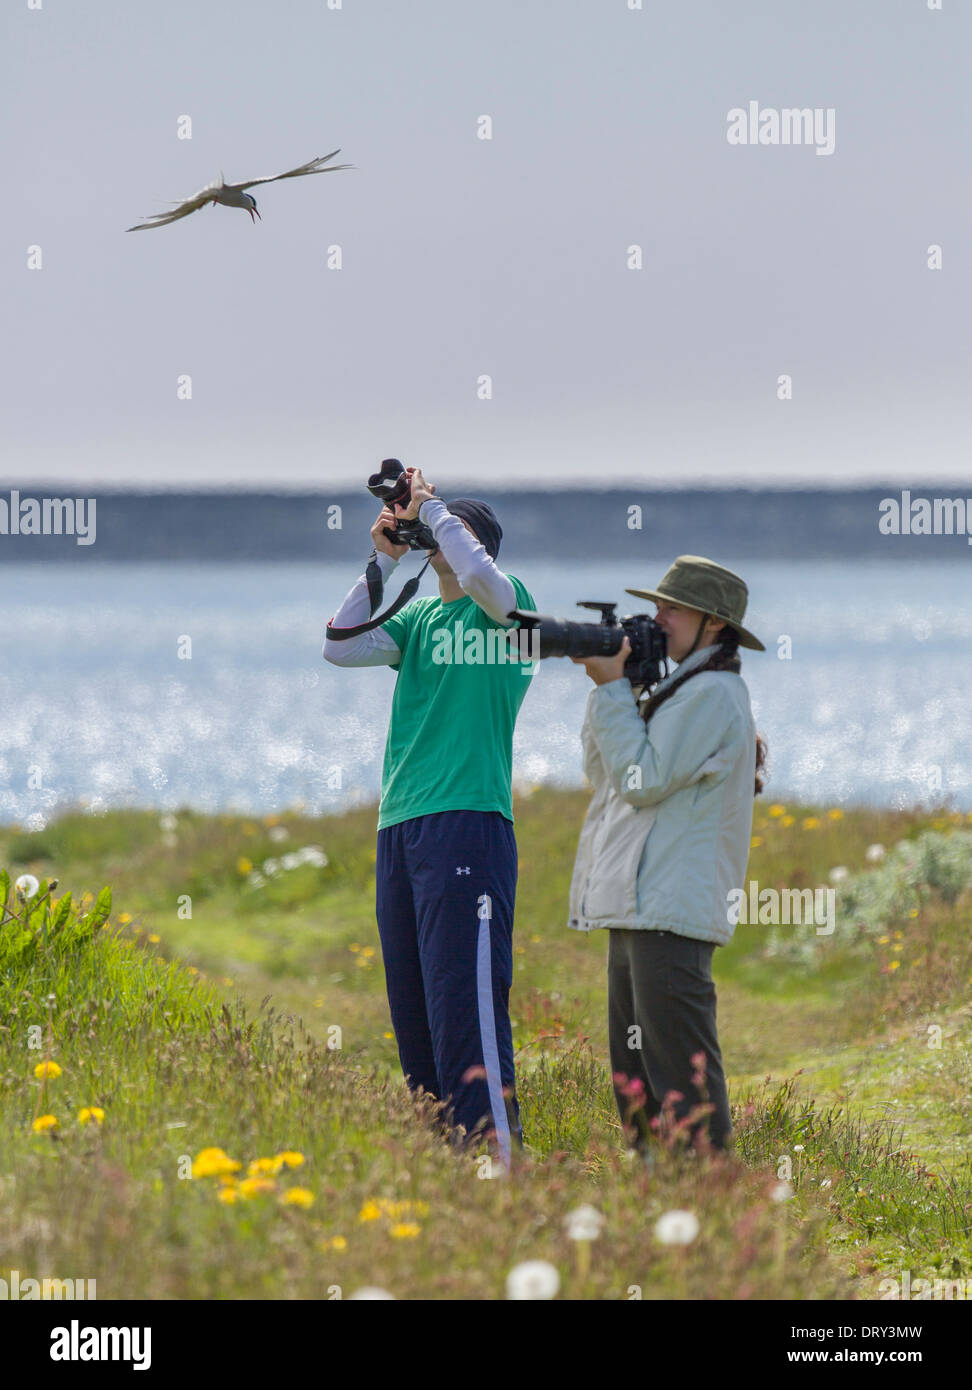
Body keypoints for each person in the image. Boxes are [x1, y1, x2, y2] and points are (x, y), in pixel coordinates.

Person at [323, 467, 538, 1167]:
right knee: (415, 1005)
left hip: (469, 819)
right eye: (429, 527)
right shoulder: (415, 619)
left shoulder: (513, 610)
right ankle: (447, 1156)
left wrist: (438, 509)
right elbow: (341, 644)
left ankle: (496, 1161)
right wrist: (386, 554)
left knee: (464, 998)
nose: (434, 535)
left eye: (445, 529)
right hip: (402, 824)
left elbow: (487, 583)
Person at [566, 555, 766, 1155]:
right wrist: (618, 691)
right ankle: (660, 1201)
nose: (657, 617)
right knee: (635, 1078)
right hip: (637, 905)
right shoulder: (679, 691)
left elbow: (642, 779)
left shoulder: (713, 693)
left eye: (671, 607)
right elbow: (605, 775)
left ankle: (710, 1197)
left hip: (669, 910)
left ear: (713, 623)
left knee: (680, 1070)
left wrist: (611, 692)